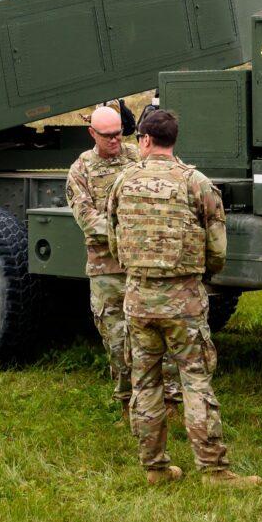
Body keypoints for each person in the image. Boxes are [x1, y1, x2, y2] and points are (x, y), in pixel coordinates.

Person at [108, 110, 262, 488]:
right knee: (195, 381)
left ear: (144, 139)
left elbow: (113, 240)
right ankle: (214, 470)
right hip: (184, 301)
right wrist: (201, 274)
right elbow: (218, 248)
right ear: (174, 140)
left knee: (145, 384)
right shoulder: (197, 183)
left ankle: (155, 467)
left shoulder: (123, 181)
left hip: (138, 299)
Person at [66, 105, 181, 422]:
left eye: (119, 133)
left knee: (158, 336)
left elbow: (174, 178)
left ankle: (169, 404)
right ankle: (128, 403)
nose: (116, 140)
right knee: (118, 342)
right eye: (108, 136)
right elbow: (88, 220)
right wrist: (132, 232)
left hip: (144, 268)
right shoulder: (81, 171)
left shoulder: (138, 156)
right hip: (108, 271)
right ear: (93, 134)